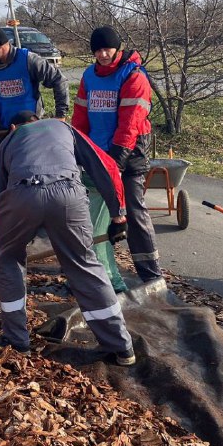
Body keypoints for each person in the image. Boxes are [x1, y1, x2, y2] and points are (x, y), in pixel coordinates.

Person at [0, 111, 136, 366]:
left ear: (14, 126)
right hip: (68, 194)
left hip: (22, 195)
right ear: (39, 119)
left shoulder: (7, 143)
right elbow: (105, 165)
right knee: (83, 264)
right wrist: (118, 215)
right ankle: (121, 348)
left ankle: (17, 342)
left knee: (10, 262)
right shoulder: (62, 127)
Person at [0, 25, 70, 246]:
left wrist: (61, 116)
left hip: (29, 130)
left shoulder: (29, 60)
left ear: (2, 47)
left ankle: (32, 225)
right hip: (0, 128)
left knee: (29, 177)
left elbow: (59, 81)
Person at [71, 26, 163, 284]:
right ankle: (99, 267)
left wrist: (117, 160)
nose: (102, 54)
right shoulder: (89, 76)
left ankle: (150, 274)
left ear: (118, 48)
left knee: (132, 211)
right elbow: (80, 117)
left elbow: (130, 124)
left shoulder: (133, 76)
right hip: (97, 155)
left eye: (107, 49)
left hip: (128, 154)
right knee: (95, 213)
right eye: (97, 50)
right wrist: (77, 147)